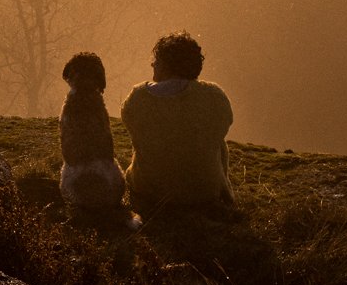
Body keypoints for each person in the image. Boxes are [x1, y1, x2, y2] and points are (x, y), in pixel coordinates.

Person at [121, 31, 234, 213]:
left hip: (150, 191)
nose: (152, 64)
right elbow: (223, 126)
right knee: (218, 143)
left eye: (156, 60)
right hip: (204, 193)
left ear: (166, 65)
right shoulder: (215, 96)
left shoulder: (138, 98)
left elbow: (133, 129)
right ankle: (222, 188)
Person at [58, 51, 133, 232]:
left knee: (68, 170)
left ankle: (83, 208)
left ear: (70, 75)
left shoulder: (68, 108)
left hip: (75, 189)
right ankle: (113, 212)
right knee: (113, 168)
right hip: (109, 188)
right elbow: (108, 146)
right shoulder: (98, 106)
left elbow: (66, 149)